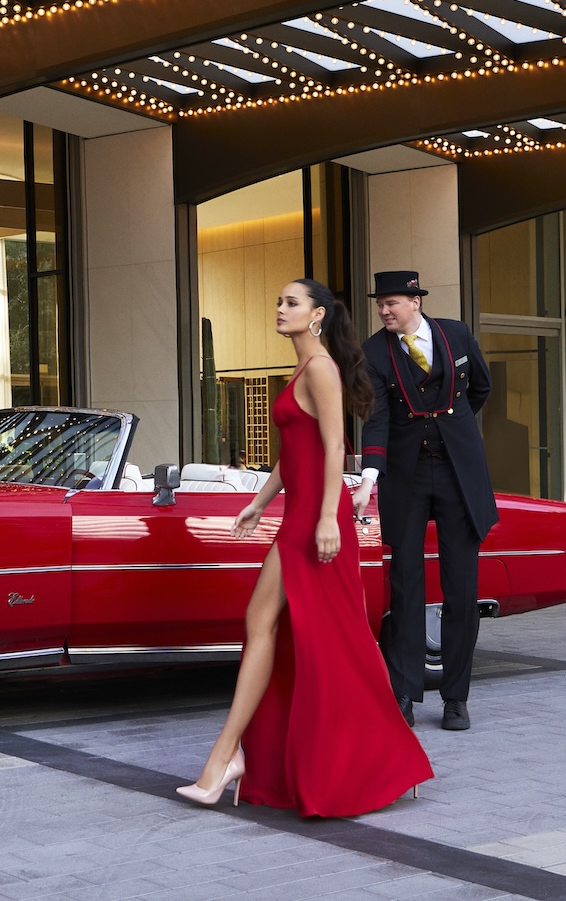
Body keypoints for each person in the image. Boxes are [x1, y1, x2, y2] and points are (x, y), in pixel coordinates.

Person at [179, 279, 434, 815]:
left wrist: (325, 520)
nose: (279, 309)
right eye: (277, 301)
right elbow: (293, 453)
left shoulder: (319, 369)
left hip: (317, 520)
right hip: (298, 515)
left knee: (302, 633)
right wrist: (259, 501)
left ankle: (226, 758)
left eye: (290, 303)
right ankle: (241, 758)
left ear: (316, 315)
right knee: (319, 640)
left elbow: (335, 448)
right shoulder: (303, 369)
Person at [356, 270, 498, 732]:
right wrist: (369, 474)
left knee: (462, 590)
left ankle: (456, 698)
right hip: (406, 474)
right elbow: (376, 416)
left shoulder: (454, 333)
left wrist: (449, 429)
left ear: (415, 301)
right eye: (380, 304)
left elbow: (480, 387)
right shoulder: (374, 351)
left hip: (459, 473)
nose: (383, 310)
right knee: (406, 587)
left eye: (391, 302)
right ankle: (403, 694)